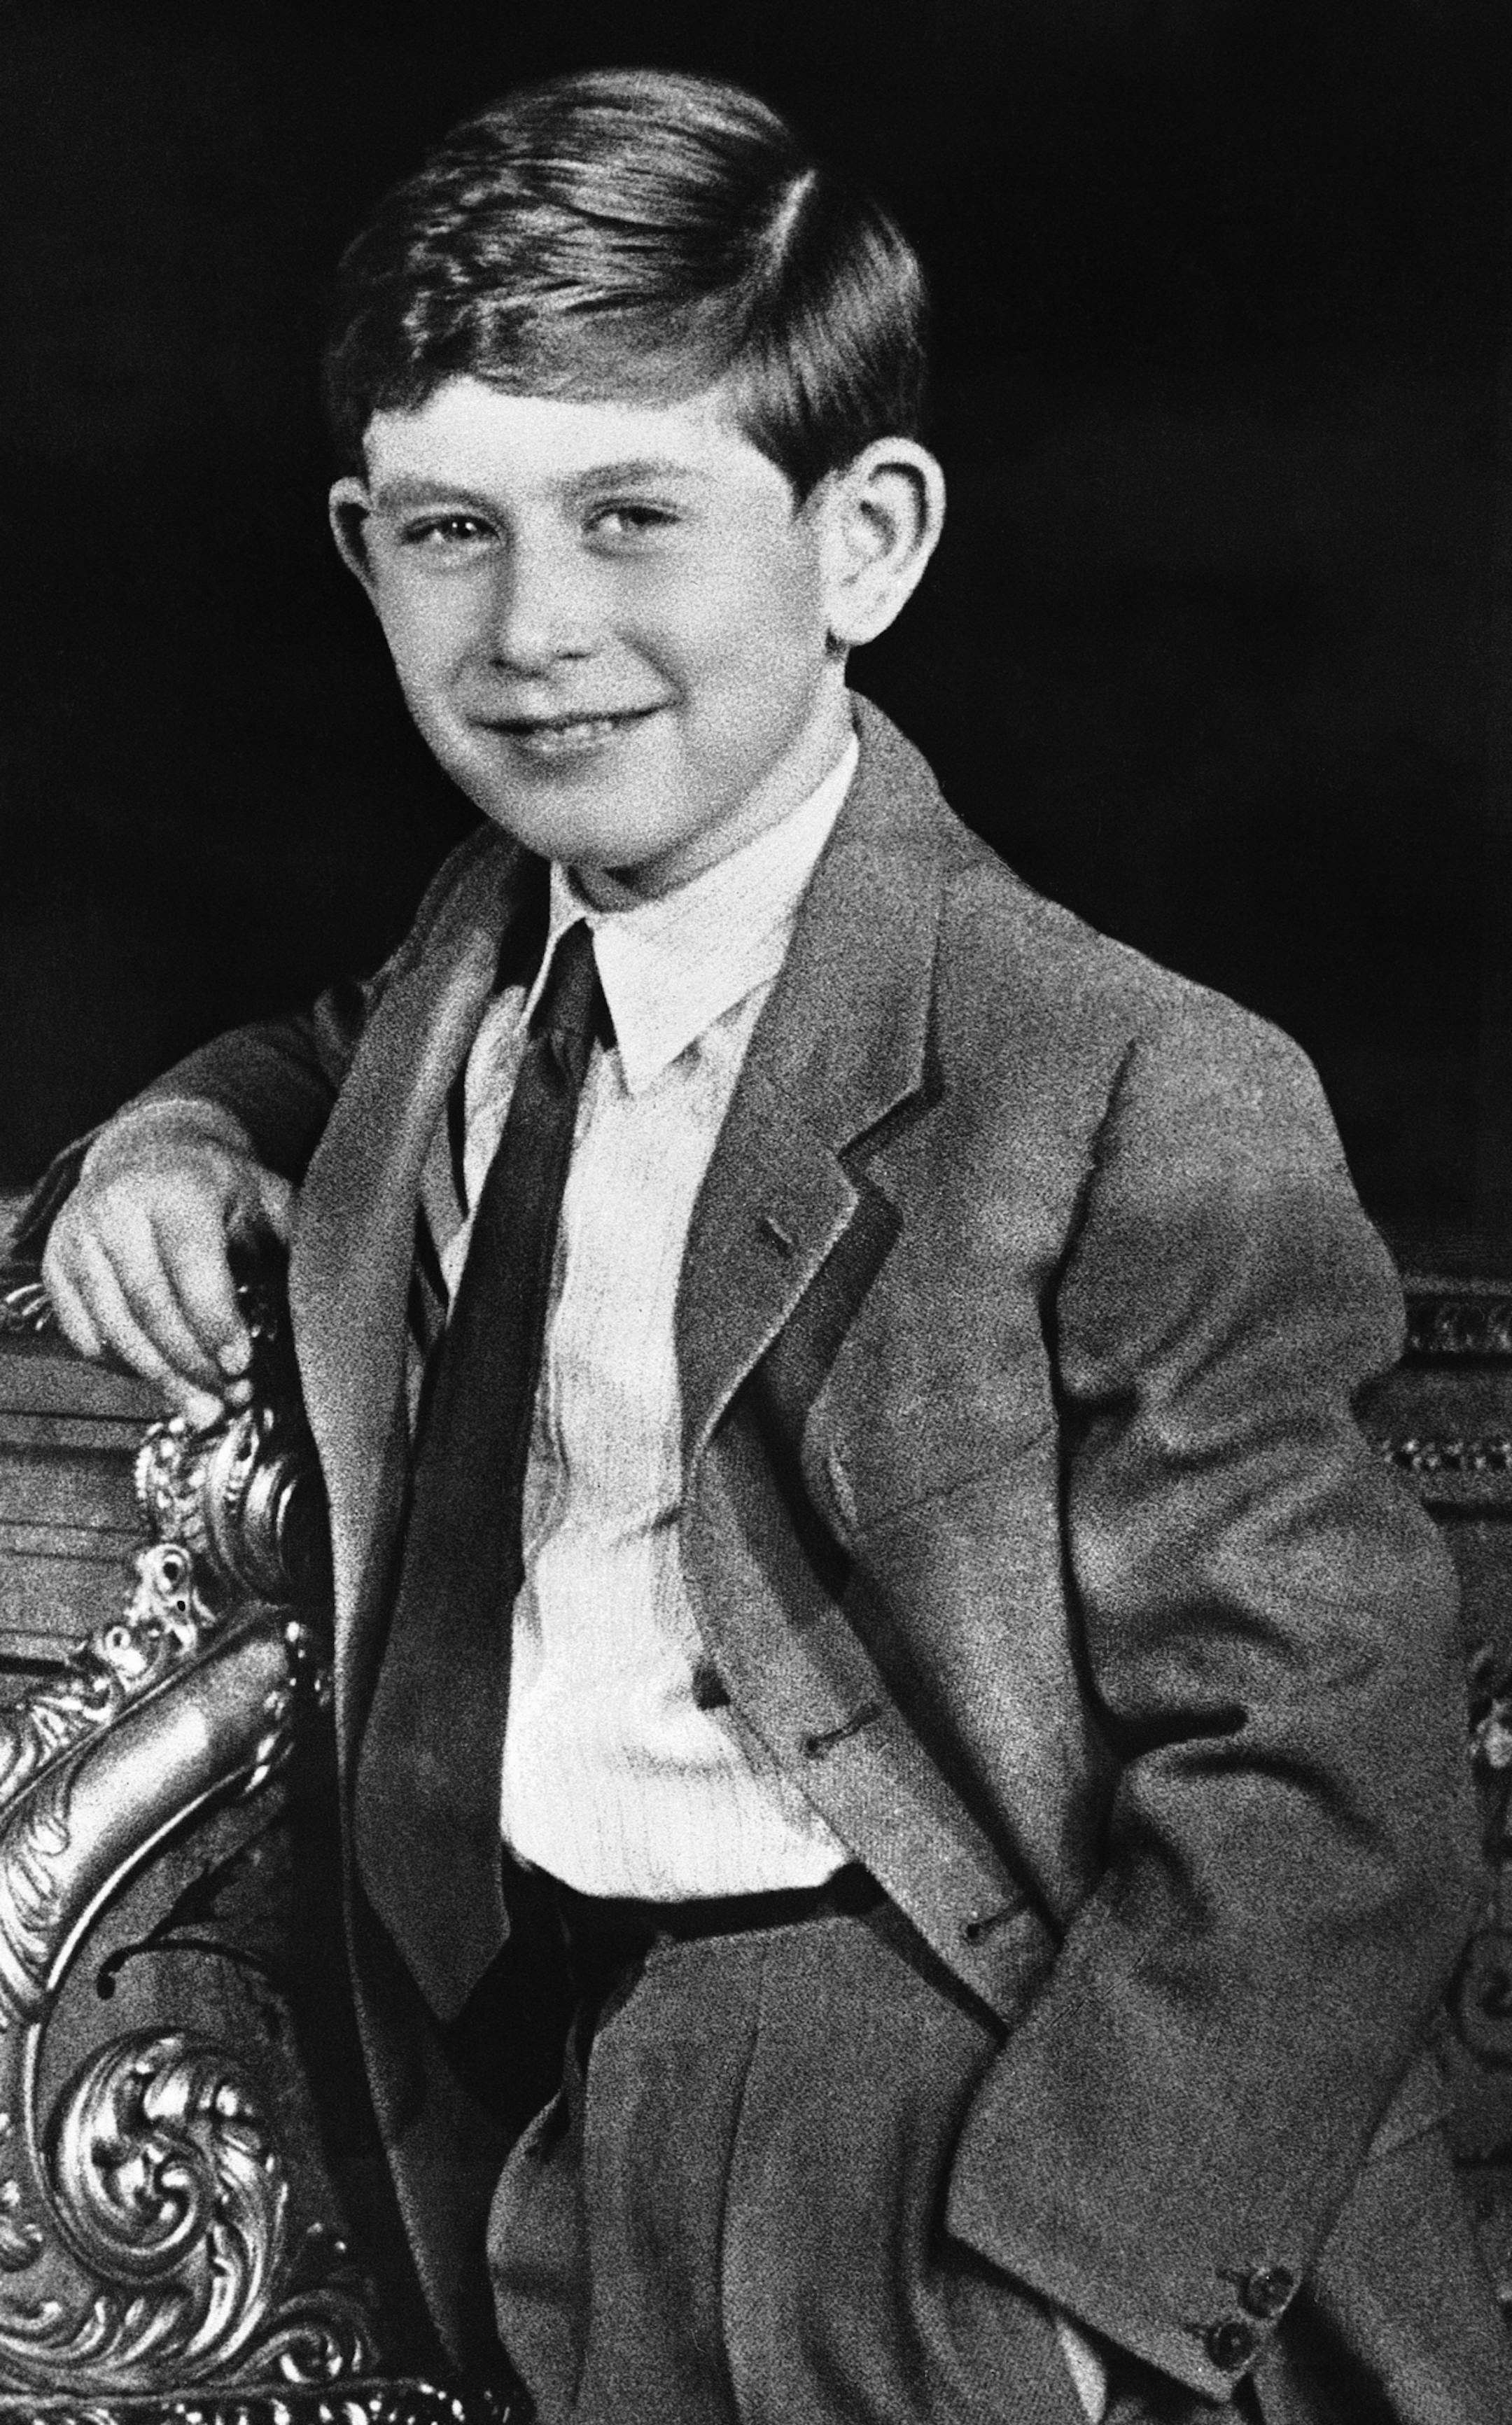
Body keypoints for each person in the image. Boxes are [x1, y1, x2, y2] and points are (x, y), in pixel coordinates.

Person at [21, 65, 1511, 2425]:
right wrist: (180, 1135)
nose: (535, 633)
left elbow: (1327, 1784)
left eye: (635, 514)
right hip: (543, 2119)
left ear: (868, 540)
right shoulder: (484, 960)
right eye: (448, 532)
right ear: (355, 546)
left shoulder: (1128, 1083)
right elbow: (331, 1057)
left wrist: (1065, 2297)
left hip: (934, 2131)